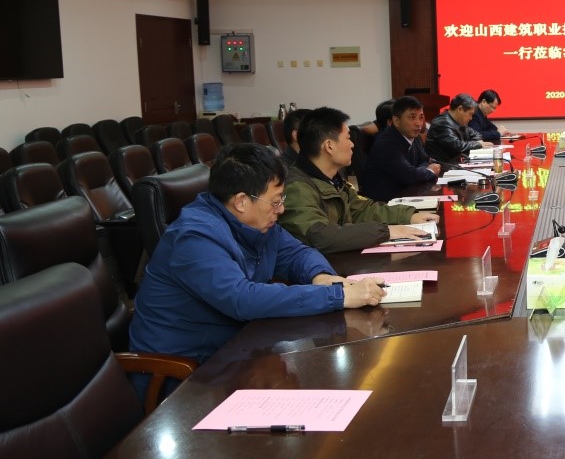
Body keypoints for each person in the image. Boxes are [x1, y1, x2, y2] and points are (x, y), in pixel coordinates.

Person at [129, 143, 386, 365]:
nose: (281, 209)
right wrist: (337, 296)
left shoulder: (256, 222)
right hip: (187, 372)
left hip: (238, 348)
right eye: (275, 201)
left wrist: (321, 277)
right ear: (241, 201)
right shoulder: (194, 237)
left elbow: (297, 253)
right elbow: (242, 299)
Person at [280, 106, 437, 253]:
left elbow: (362, 210)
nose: (352, 145)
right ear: (329, 146)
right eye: (348, 138)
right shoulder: (296, 187)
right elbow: (319, 235)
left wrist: (408, 216)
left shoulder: (333, 179)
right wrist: (386, 232)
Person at [358, 96, 442, 202]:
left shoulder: (413, 136)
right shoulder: (387, 144)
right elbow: (409, 176)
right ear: (396, 121)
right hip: (384, 204)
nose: (418, 123)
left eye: (421, 117)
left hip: (406, 196)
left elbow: (425, 160)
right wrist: (430, 171)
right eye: (412, 117)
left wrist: (419, 171)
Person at [425, 93, 493, 164]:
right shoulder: (442, 123)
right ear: (460, 109)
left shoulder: (459, 122)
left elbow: (476, 134)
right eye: (470, 114)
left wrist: (478, 142)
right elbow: (457, 146)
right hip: (443, 166)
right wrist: (478, 144)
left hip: (455, 162)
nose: (471, 118)